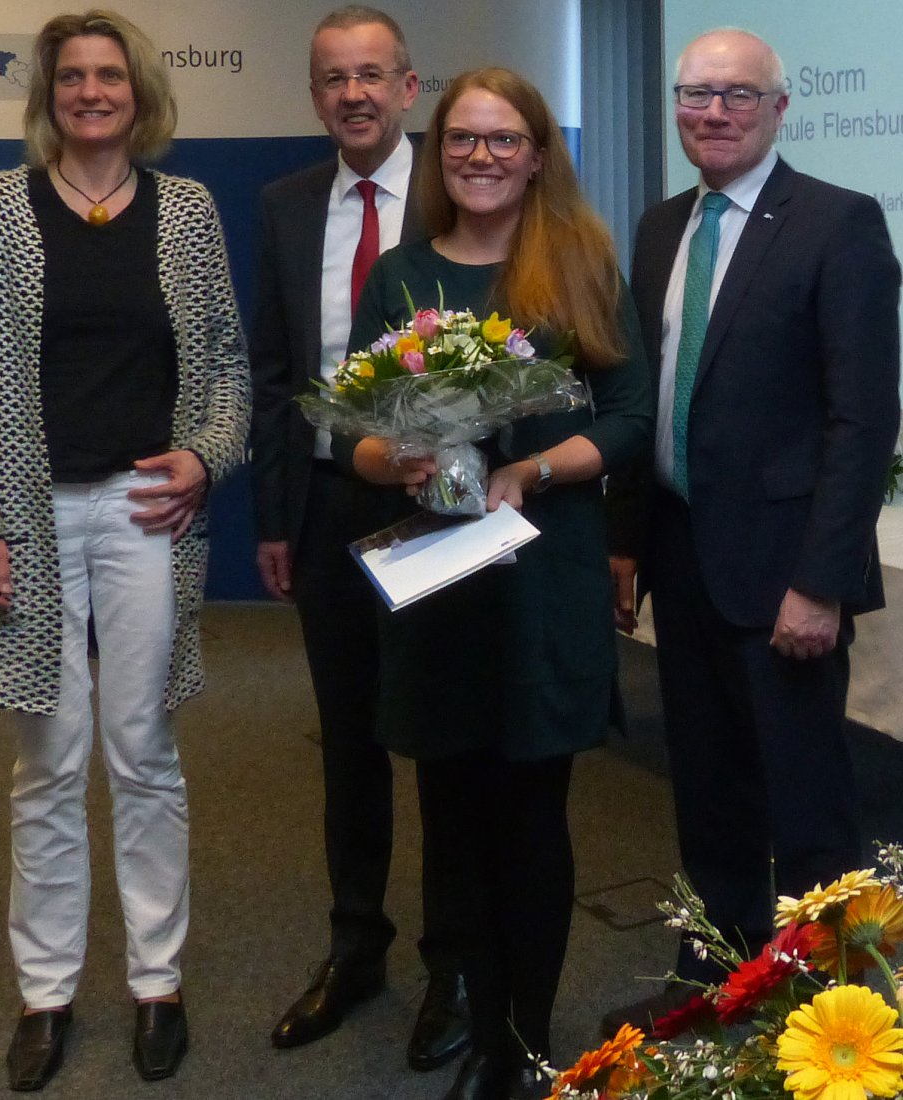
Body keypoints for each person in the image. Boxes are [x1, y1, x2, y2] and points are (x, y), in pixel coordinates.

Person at [0, 8, 250, 1091]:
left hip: (145, 510)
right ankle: (47, 992)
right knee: (46, 763)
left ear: (138, 91)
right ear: (47, 93)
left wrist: (204, 457)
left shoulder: (188, 211)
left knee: (144, 752)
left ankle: (157, 980)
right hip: (25, 517)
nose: (92, 92)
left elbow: (227, 371)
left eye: (110, 75)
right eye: (73, 77)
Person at [343, 68, 652, 1100]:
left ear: (534, 154)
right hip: (438, 578)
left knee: (530, 813)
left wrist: (531, 467)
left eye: (501, 139)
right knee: (450, 807)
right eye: (461, 140)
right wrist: (395, 459)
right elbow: (358, 433)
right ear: (439, 155)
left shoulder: (577, 262)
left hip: (539, 575)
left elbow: (629, 420)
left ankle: (523, 1036)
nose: (480, 157)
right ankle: (472, 1009)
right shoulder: (398, 275)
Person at [602, 28, 901, 1034]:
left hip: (784, 571)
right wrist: (628, 541)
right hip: (684, 555)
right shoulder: (656, 228)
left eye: (736, 94)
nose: (713, 110)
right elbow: (648, 403)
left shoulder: (838, 220)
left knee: (809, 803)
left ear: (779, 109)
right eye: (695, 93)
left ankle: (834, 1004)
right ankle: (712, 969)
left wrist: (821, 581)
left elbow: (862, 419)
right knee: (708, 792)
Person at [249, 5, 470, 1068]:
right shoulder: (286, 206)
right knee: (349, 741)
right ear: (314, 95)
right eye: (333, 78)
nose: (353, 94)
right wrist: (276, 517)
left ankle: (455, 962)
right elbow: (272, 373)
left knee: (444, 736)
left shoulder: (463, 187)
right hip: (332, 504)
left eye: (371, 75)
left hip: (443, 505)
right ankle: (356, 945)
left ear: (408, 87)